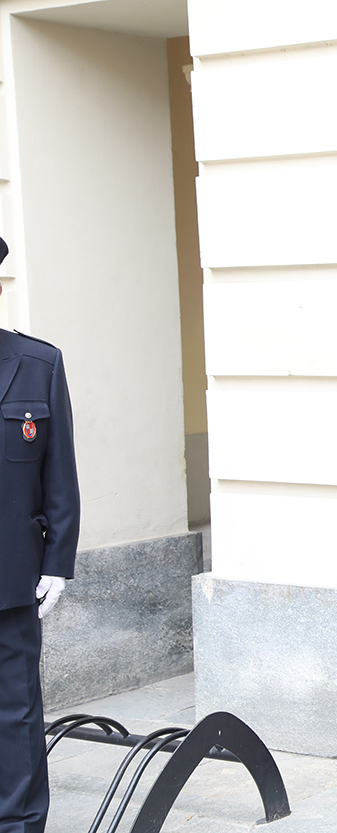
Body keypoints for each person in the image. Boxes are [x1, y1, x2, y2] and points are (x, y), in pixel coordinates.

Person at [0, 235, 81, 833]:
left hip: (10, 574)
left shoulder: (37, 363)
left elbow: (60, 473)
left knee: (17, 712)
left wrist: (58, 562)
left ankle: (21, 824)